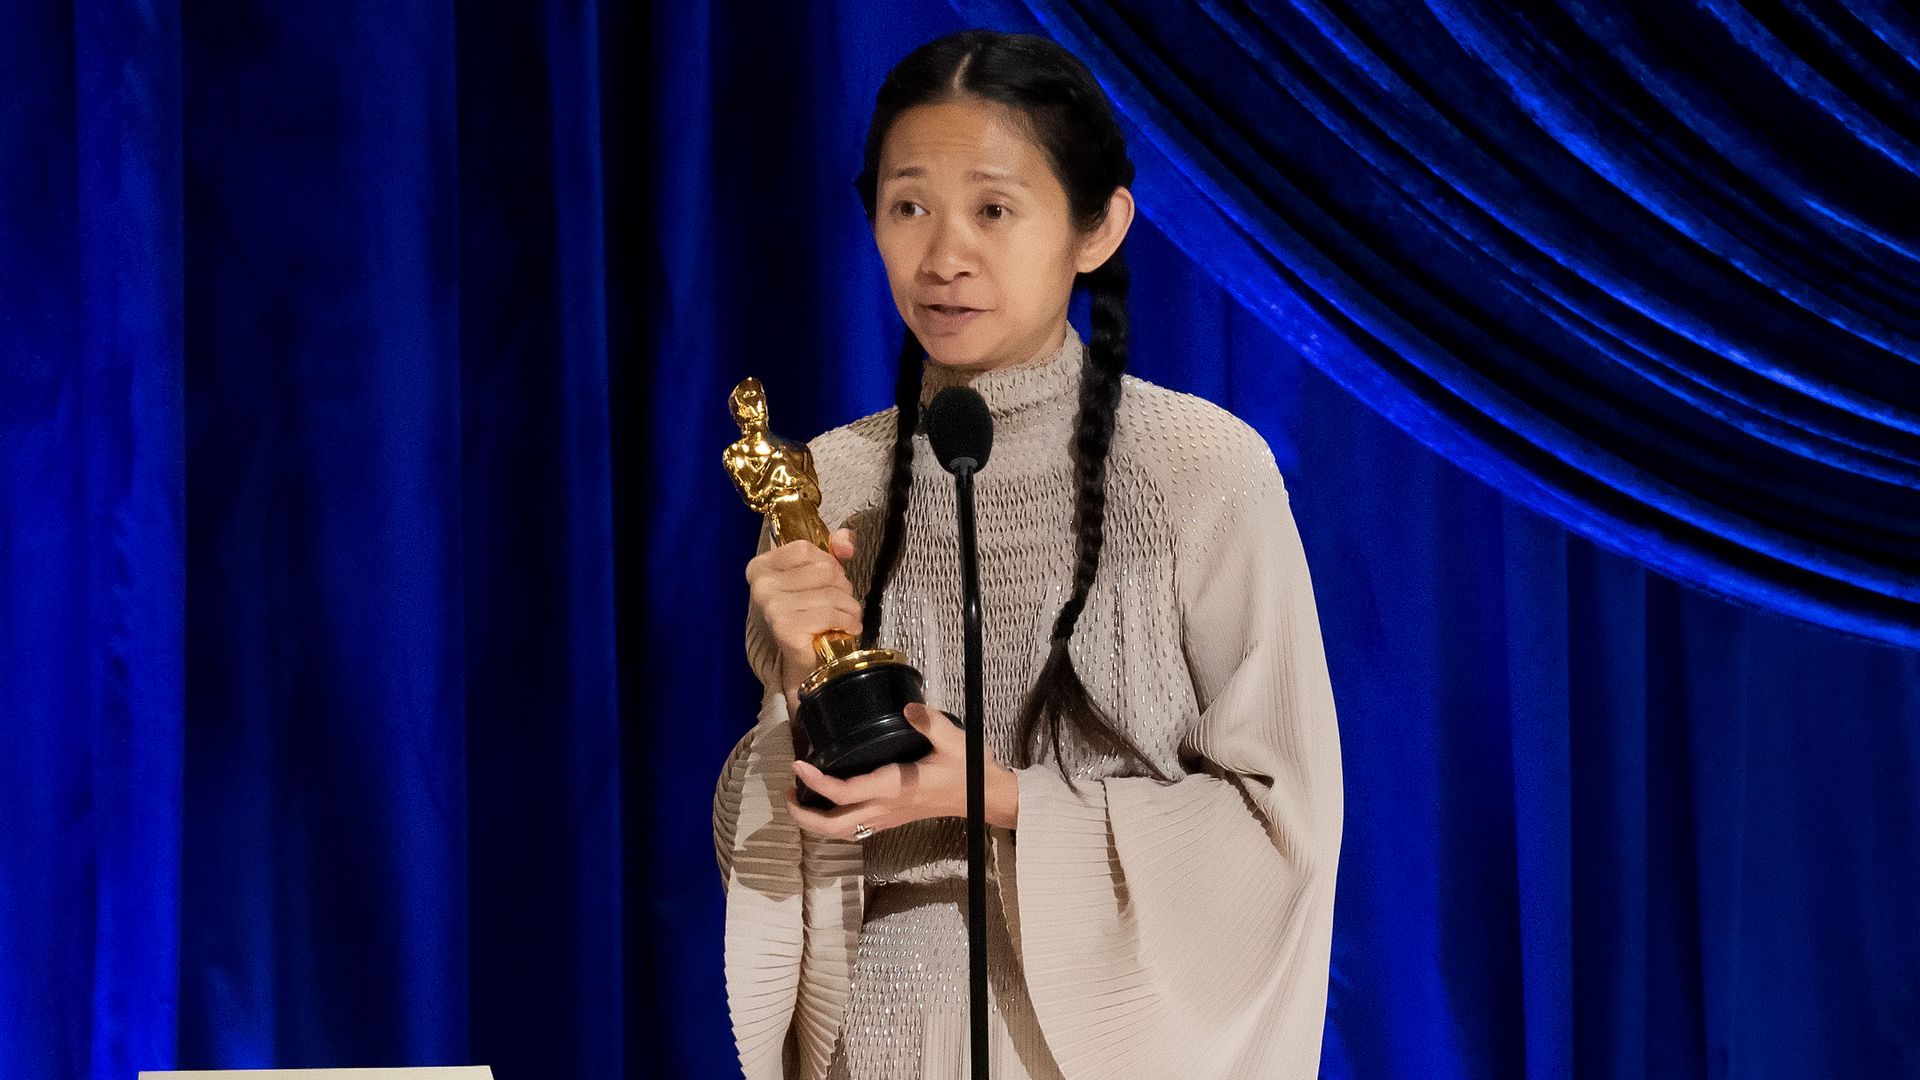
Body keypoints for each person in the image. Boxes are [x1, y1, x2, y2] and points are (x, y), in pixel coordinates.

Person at [712, 29, 1343, 1080]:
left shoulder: (1202, 470)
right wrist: (792, 684)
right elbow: (780, 852)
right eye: (909, 206)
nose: (944, 255)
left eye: (994, 210)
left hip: (1104, 1047)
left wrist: (1001, 801)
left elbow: (1282, 833)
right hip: (889, 1039)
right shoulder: (833, 480)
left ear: (1098, 229)